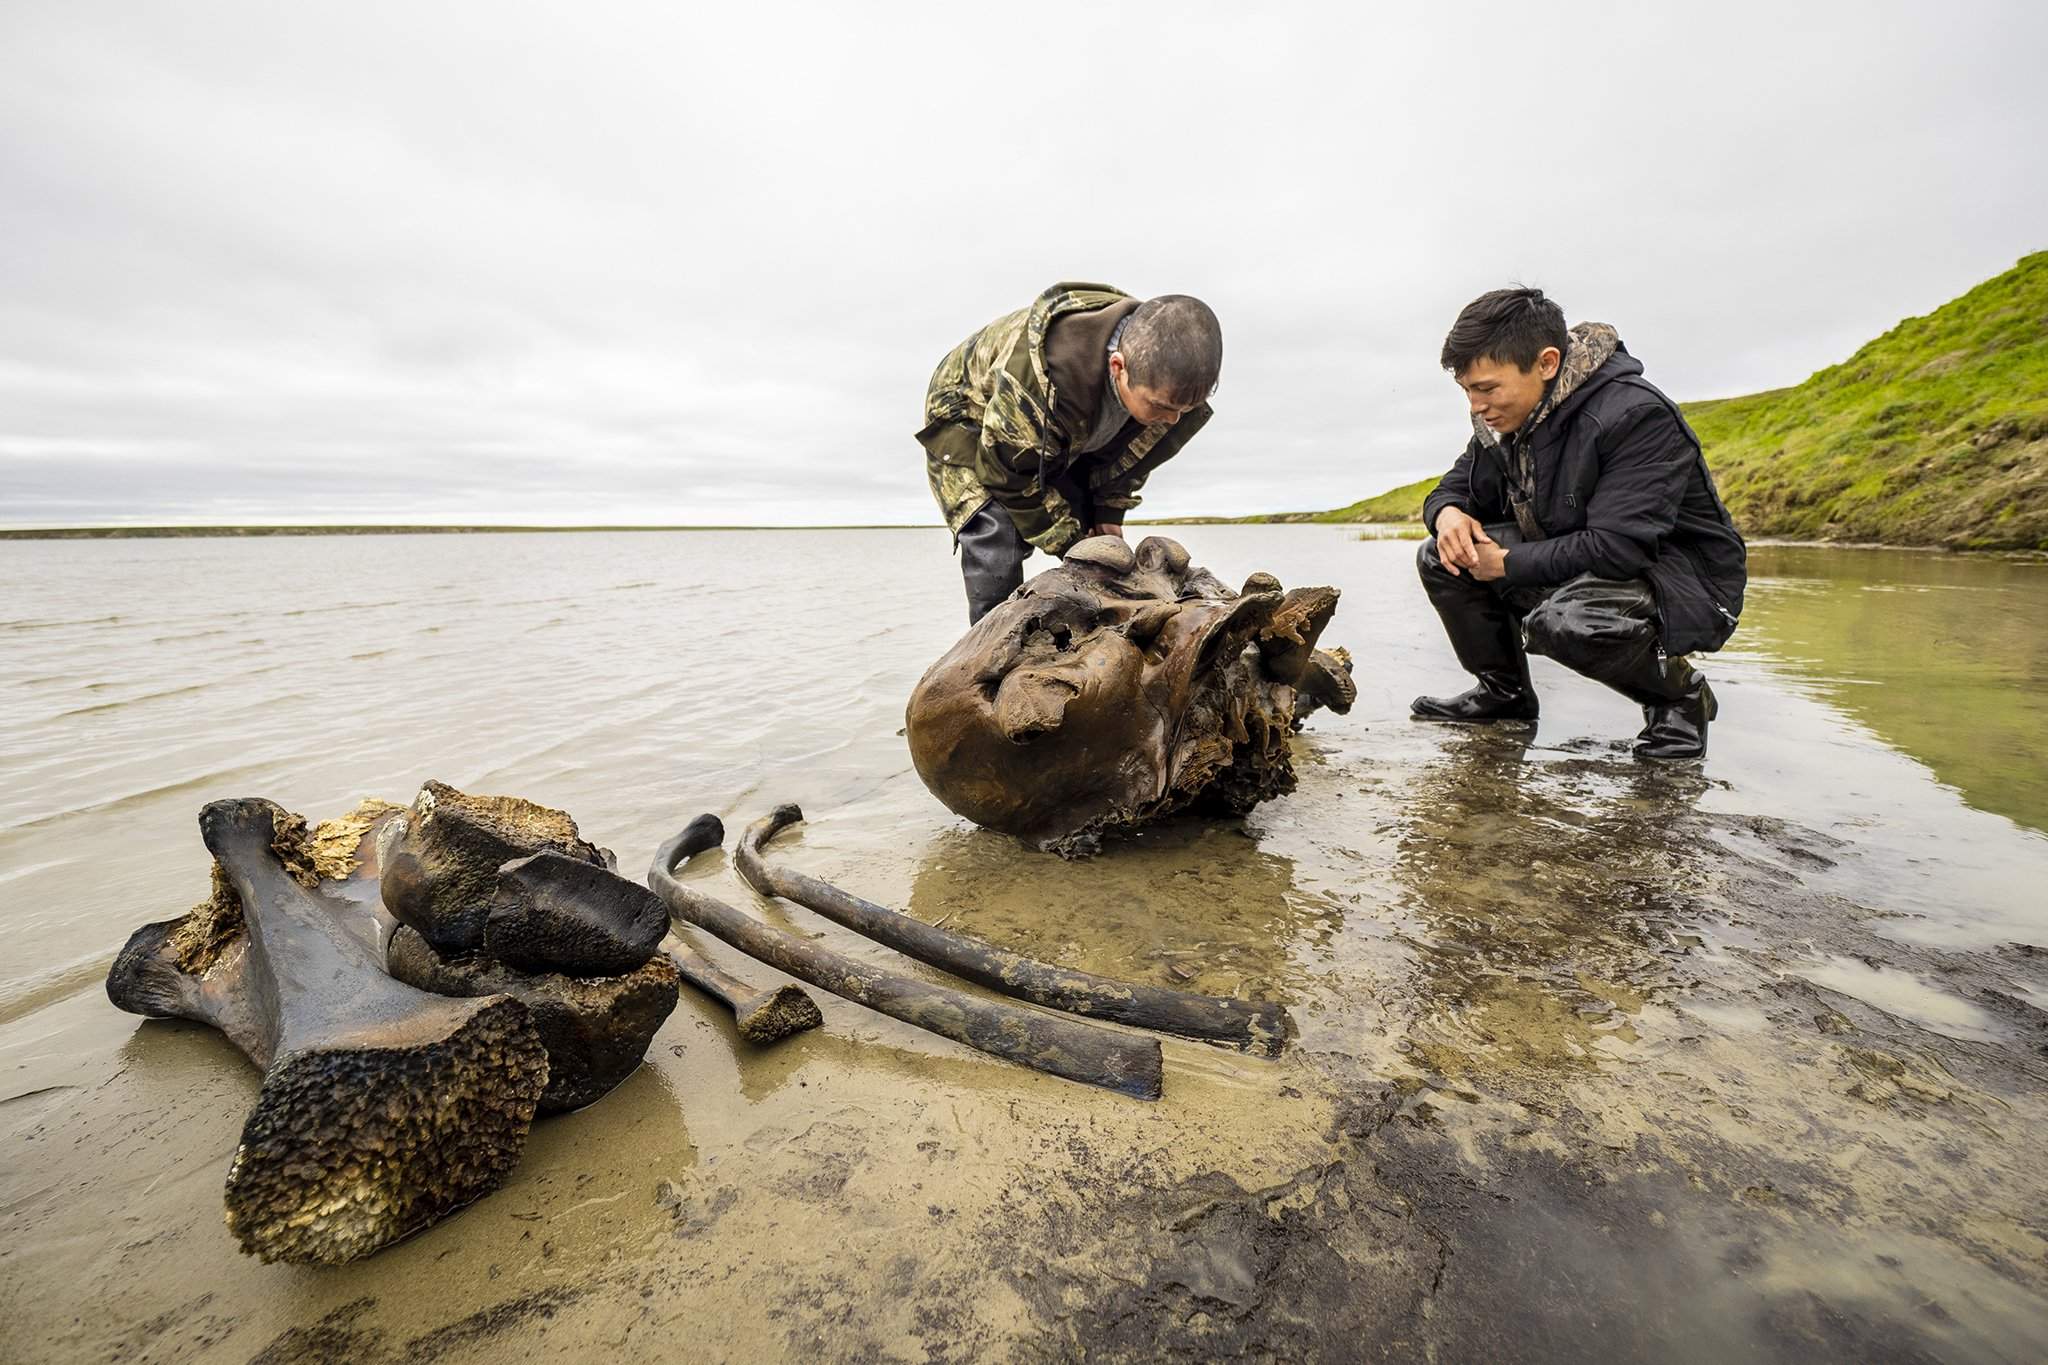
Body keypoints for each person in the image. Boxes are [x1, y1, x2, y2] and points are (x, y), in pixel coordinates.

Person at [1412, 287, 1747, 759]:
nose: (1475, 405)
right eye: (1467, 390)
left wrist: (1505, 563)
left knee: (1570, 622)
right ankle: (1504, 695)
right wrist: (1447, 515)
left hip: (1679, 581)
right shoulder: (1504, 421)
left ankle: (1679, 697)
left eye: (1486, 388)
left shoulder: (1635, 414)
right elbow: (1453, 489)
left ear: (1546, 363)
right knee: (1441, 555)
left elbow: (1619, 548)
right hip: (1582, 557)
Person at [919, 283, 1222, 623]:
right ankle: (993, 651)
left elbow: (1127, 457)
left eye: (1184, 409)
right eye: (1162, 406)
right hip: (968, 417)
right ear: (1119, 367)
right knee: (997, 535)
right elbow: (1005, 475)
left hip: (1060, 432)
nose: (1171, 419)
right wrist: (1070, 543)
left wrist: (1107, 512)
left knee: (1096, 538)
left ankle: (1092, 630)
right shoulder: (1043, 381)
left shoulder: (1164, 386)